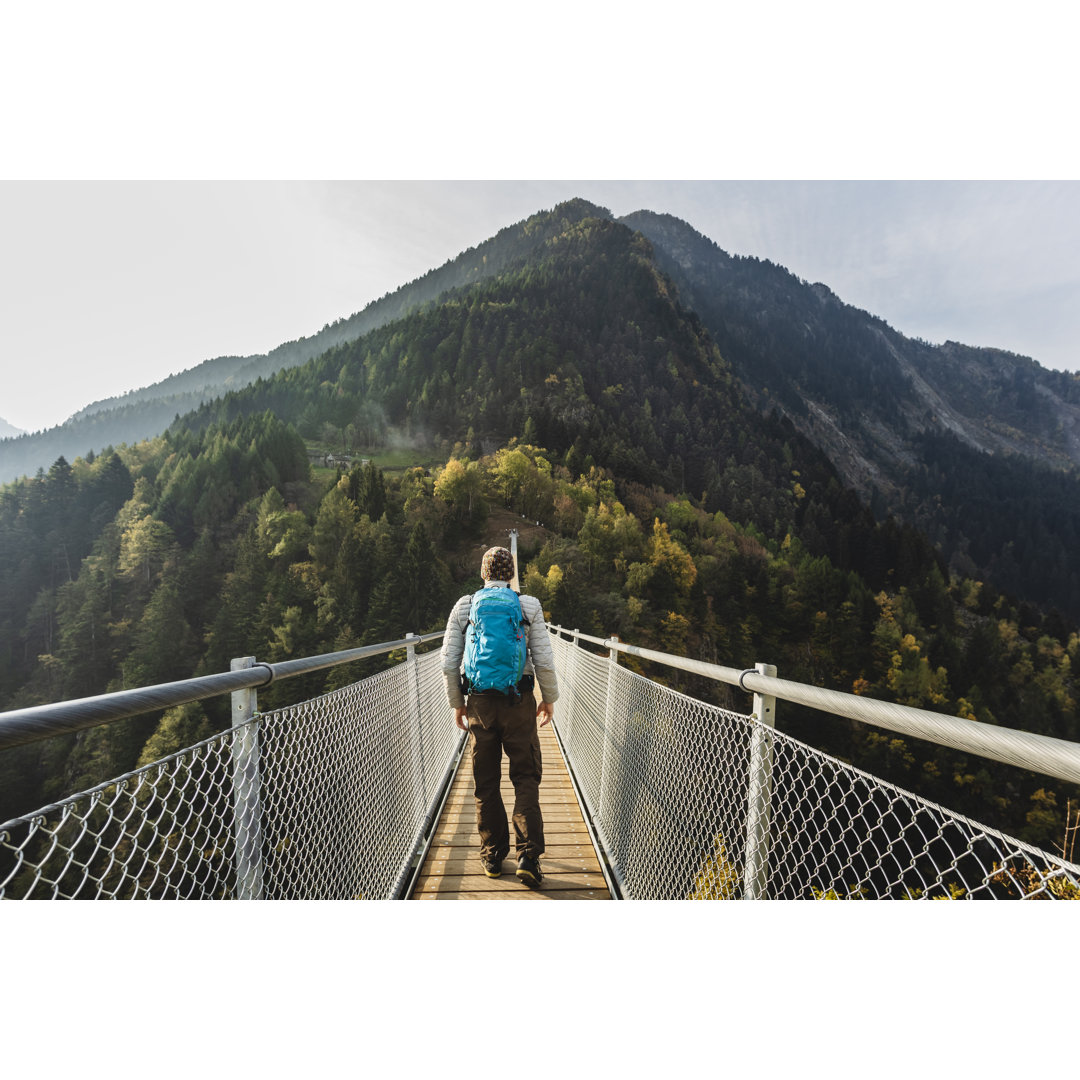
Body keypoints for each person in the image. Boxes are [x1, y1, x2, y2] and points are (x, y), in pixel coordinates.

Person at [440, 545, 559, 888]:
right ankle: (528, 857)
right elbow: (546, 661)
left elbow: (449, 663)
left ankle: (492, 857)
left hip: (479, 703)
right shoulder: (528, 605)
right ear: (511, 576)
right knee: (525, 777)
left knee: (486, 782)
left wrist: (457, 703)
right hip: (519, 701)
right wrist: (548, 699)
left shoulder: (465, 606)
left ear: (483, 575)